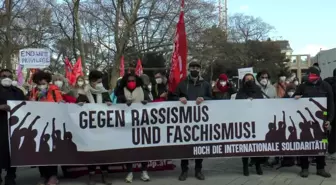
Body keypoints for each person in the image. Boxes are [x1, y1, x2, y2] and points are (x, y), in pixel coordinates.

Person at [173, 61, 212, 181]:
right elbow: (173, 96)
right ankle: (184, 171)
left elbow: (212, 97)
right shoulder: (182, 84)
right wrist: (180, 98)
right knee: (185, 146)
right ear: (189, 69)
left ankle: (198, 170)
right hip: (185, 120)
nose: (195, 69)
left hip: (200, 120)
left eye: (197, 67)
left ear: (200, 70)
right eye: (192, 67)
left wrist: (204, 98)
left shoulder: (205, 84)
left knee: (199, 146)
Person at [294, 66, 335, 178]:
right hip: (305, 121)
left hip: (321, 123)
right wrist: (296, 97)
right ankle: (304, 168)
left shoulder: (326, 86)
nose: (310, 77)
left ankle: (320, 168)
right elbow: (293, 100)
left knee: (321, 145)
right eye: (309, 75)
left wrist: (329, 120)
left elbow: (331, 104)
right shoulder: (302, 86)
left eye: (312, 75)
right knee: (305, 145)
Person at [76, 70, 113, 185]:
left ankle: (105, 175)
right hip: (90, 128)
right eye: (98, 81)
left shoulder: (104, 92)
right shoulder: (84, 92)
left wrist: (109, 104)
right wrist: (80, 105)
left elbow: (111, 105)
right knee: (91, 152)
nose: (100, 83)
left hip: (103, 127)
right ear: (92, 81)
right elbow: (77, 106)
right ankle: (91, 175)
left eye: (101, 81)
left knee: (104, 152)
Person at [116, 72, 150, 183]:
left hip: (141, 123)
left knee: (143, 149)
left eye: (133, 80)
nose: (131, 82)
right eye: (129, 81)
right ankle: (130, 172)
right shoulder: (121, 92)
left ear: (137, 81)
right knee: (129, 149)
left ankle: (144, 171)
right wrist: (124, 102)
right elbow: (117, 104)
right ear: (126, 82)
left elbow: (151, 102)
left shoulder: (143, 90)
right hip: (127, 125)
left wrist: (147, 102)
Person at [30, 70, 63, 185]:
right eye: (39, 82)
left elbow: (60, 102)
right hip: (38, 124)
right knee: (40, 150)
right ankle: (43, 175)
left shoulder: (53, 90)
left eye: (44, 81)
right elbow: (29, 105)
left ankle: (53, 175)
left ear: (47, 81)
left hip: (51, 123)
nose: (42, 83)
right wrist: (34, 100)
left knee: (51, 150)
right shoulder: (34, 91)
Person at [0, 69, 26, 185]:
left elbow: (25, 106)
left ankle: (10, 177)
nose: (7, 78)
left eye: (9, 76)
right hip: (0, 126)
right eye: (4, 76)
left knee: (13, 151)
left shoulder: (18, 92)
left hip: (14, 126)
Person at [235, 73, 264, 176]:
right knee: (245, 145)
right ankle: (245, 166)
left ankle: (257, 165)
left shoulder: (257, 89)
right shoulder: (241, 90)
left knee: (256, 145)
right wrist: (245, 101)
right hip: (245, 121)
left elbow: (262, 101)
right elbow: (237, 103)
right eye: (247, 79)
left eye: (251, 79)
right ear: (244, 81)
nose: (249, 80)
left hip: (256, 120)